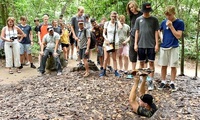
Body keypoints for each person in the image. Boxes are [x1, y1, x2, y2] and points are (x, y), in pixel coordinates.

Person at [158, 5, 185, 91]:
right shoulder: (163, 22)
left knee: (173, 65)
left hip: (174, 46)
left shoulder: (180, 22)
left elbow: (178, 36)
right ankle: (163, 81)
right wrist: (160, 37)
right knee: (163, 65)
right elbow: (159, 30)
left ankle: (172, 82)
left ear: (174, 13)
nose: (168, 17)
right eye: (167, 15)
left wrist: (171, 27)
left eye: (169, 15)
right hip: (164, 46)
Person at [134, 3, 159, 90]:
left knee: (151, 62)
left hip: (151, 44)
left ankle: (150, 81)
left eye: (148, 11)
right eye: (145, 11)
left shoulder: (154, 20)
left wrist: (157, 44)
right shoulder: (138, 19)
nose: (147, 13)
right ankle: (142, 79)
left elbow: (156, 32)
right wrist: (135, 44)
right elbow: (137, 32)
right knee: (141, 62)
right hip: (141, 44)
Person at [99, 11, 122, 77]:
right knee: (106, 58)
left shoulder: (117, 23)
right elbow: (103, 33)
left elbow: (120, 27)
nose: (113, 17)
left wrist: (117, 19)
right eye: (112, 16)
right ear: (110, 16)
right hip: (108, 42)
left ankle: (116, 71)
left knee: (114, 58)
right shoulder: (107, 23)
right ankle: (103, 71)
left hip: (115, 42)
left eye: (114, 16)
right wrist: (106, 39)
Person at [125, 1, 143, 72]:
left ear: (135, 6)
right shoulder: (131, 15)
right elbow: (132, 26)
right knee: (132, 53)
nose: (131, 9)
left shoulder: (141, 14)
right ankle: (133, 71)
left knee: (142, 53)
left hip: (141, 35)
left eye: (132, 7)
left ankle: (141, 71)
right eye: (130, 8)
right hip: (132, 35)